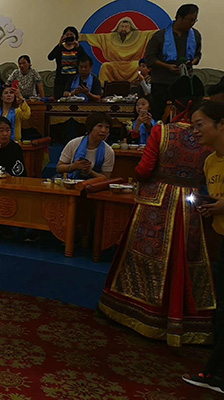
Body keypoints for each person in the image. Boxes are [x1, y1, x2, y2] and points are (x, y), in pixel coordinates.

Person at [98, 75, 213, 347]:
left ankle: (141, 314)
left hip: (158, 201)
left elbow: (143, 170)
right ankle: (187, 321)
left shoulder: (163, 132)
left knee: (148, 255)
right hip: (192, 201)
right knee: (188, 258)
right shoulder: (208, 135)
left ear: (173, 105)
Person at [182, 100, 224, 393]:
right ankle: (216, 373)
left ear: (221, 124)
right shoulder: (210, 161)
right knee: (220, 310)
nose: (195, 131)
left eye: (200, 125)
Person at [145, 4, 201, 123]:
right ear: (179, 17)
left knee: (184, 118)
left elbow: (197, 55)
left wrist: (192, 62)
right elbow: (150, 58)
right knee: (160, 117)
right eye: (190, 20)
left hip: (184, 84)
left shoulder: (195, 35)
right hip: (162, 83)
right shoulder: (160, 36)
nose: (192, 23)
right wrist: (167, 67)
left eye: (194, 20)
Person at [80, 16, 159, 84]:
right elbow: (96, 37)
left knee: (138, 67)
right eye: (122, 26)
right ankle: (105, 89)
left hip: (132, 66)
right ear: (117, 27)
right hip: (115, 66)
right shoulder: (109, 37)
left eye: (126, 27)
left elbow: (151, 34)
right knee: (105, 66)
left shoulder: (139, 36)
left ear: (131, 28)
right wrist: (79, 37)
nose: (123, 29)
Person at [56, 112, 115, 179]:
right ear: (91, 127)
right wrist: (74, 166)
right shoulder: (74, 143)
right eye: (100, 126)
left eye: (107, 127)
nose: (103, 130)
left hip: (94, 184)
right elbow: (59, 168)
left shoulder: (108, 151)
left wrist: (90, 172)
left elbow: (106, 178)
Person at [48, 26, 89, 99]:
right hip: (61, 79)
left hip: (74, 78)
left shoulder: (78, 48)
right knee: (59, 99)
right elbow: (50, 57)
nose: (69, 37)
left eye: (71, 35)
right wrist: (59, 44)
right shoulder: (60, 48)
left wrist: (78, 48)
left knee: (74, 99)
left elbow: (86, 60)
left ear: (75, 36)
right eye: (67, 35)